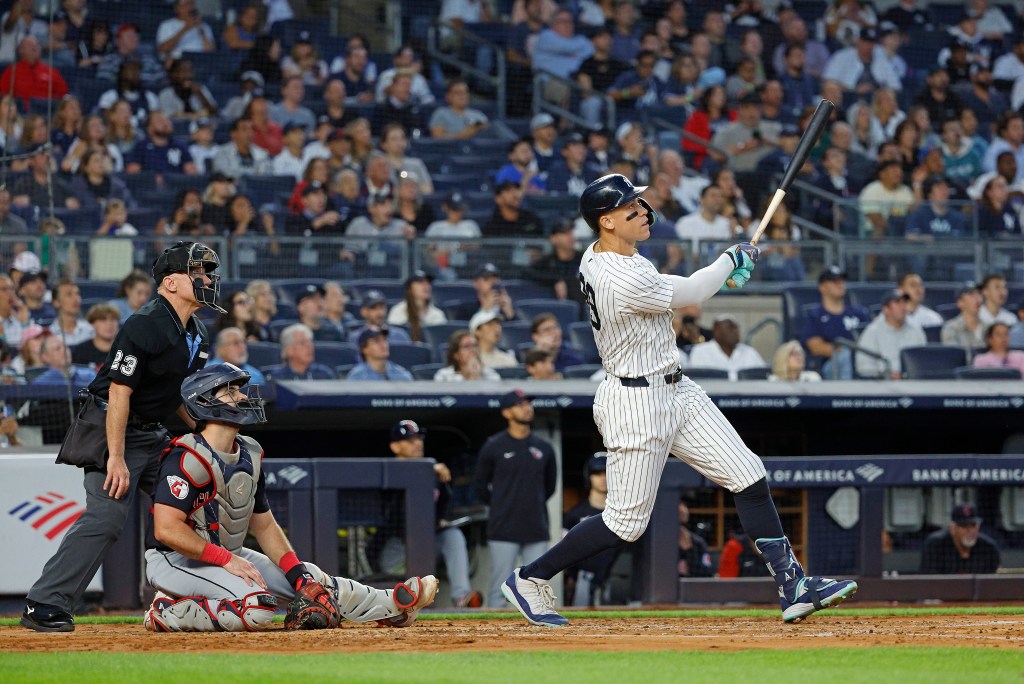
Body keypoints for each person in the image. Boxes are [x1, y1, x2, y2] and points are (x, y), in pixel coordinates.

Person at [501, 174, 858, 627]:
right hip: (635, 401)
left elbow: (687, 288)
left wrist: (721, 271)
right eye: (631, 208)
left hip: (677, 388)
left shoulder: (613, 253)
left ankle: (794, 586)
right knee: (624, 524)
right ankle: (530, 578)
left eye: (640, 203)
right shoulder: (616, 275)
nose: (644, 211)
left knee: (749, 476)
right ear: (606, 221)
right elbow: (691, 292)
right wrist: (729, 260)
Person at [20, 241, 222, 632]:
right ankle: (43, 603)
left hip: (152, 433)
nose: (208, 280)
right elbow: (118, 392)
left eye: (209, 273)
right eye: (199, 273)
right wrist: (116, 457)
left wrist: (198, 431)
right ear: (171, 282)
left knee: (196, 505)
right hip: (111, 427)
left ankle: (194, 600)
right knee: (107, 517)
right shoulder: (144, 324)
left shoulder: (196, 332)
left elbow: (172, 393)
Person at [142, 363, 436, 631]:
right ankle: (167, 610)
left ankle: (391, 605)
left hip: (228, 555)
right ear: (204, 401)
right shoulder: (186, 457)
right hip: (176, 560)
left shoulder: (249, 452)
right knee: (257, 609)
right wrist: (225, 559)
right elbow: (166, 529)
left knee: (312, 580)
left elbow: (266, 526)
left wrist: (298, 575)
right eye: (230, 391)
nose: (242, 397)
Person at [384, 420, 481, 608]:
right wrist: (430, 467)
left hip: (425, 546)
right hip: (396, 551)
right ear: (395, 446)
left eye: (418, 438)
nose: (418, 443)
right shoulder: (389, 472)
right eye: (410, 440)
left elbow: (445, 503)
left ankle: (461, 596)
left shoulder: (433, 472)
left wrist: (441, 519)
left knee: (452, 535)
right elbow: (393, 513)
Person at [475, 389, 557, 607]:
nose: (527, 408)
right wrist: (502, 505)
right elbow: (480, 487)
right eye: (519, 404)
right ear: (506, 413)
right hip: (503, 527)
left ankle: (538, 632)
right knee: (499, 587)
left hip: (536, 527)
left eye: (528, 403)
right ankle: (492, 638)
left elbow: (550, 487)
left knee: (535, 587)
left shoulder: (544, 448)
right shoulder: (493, 446)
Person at [564, 453, 627, 604]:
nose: (603, 478)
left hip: (618, 578)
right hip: (584, 578)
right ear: (589, 477)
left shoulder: (625, 513)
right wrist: (571, 576)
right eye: (597, 473)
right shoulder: (575, 514)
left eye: (607, 473)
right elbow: (566, 551)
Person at [801, 267, 870, 380]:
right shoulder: (816, 316)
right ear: (822, 287)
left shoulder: (858, 313)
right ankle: (846, 396)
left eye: (842, 281)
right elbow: (815, 346)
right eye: (834, 281)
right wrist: (845, 351)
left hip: (863, 361)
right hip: (831, 364)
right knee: (844, 357)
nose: (840, 284)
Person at [855, 289, 926, 379]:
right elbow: (863, 367)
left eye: (904, 302)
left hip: (912, 383)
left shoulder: (916, 330)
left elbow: (923, 361)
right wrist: (885, 375)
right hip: (881, 385)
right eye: (898, 303)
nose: (903, 307)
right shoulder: (872, 332)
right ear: (886, 309)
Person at [919, 502, 1001, 574]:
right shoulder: (935, 545)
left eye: (973, 525)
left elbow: (994, 583)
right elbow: (929, 583)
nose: (970, 531)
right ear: (952, 529)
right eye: (964, 526)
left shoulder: (988, 548)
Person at [687, 314, 765, 380]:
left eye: (736, 327)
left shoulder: (750, 352)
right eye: (730, 327)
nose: (736, 331)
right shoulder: (701, 351)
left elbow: (764, 377)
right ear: (717, 332)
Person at [0, 36, 70, 108]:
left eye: (36, 45)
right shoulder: (11, 71)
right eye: (30, 46)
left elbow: (63, 94)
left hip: (48, 111)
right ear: (21, 50)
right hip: (21, 112)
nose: (34, 48)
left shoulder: (51, 71)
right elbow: (3, 95)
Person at [262, 323, 337, 381]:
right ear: (289, 350)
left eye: (310, 342)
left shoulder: (324, 374)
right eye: (303, 343)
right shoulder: (277, 377)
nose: (309, 346)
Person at [387, 271, 446, 343]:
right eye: (420, 282)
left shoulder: (437, 314)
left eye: (428, 282)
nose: (425, 286)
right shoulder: (397, 311)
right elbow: (394, 338)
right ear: (410, 288)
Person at [450, 263, 518, 323]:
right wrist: (484, 310)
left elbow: (518, 335)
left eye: (496, 279)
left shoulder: (507, 307)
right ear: (475, 283)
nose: (493, 283)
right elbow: (463, 333)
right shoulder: (466, 309)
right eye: (487, 279)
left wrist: (510, 313)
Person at [347, 326, 413, 381]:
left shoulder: (402, 375)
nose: (383, 344)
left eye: (384, 340)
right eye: (377, 341)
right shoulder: (357, 377)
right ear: (364, 349)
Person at [434, 329, 501, 382]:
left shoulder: (490, 373)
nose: (473, 350)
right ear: (456, 355)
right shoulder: (443, 376)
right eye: (467, 346)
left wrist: (478, 377)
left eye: (475, 345)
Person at [30, 334, 97, 385]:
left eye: (65, 346)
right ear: (45, 357)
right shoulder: (41, 383)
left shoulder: (90, 375)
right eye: (57, 348)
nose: (64, 350)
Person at [71, 303, 121, 371]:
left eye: (113, 319)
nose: (109, 324)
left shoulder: (127, 350)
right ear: (93, 324)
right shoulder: (80, 351)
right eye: (103, 320)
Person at [48, 280, 93, 347]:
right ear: (56, 302)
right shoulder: (50, 335)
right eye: (69, 294)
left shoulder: (90, 331)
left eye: (78, 294)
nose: (76, 299)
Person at [677, 498, 713, 579]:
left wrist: (689, 568)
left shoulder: (698, 542)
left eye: (684, 505)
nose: (683, 509)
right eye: (679, 505)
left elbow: (708, 571)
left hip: (694, 588)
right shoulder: (661, 542)